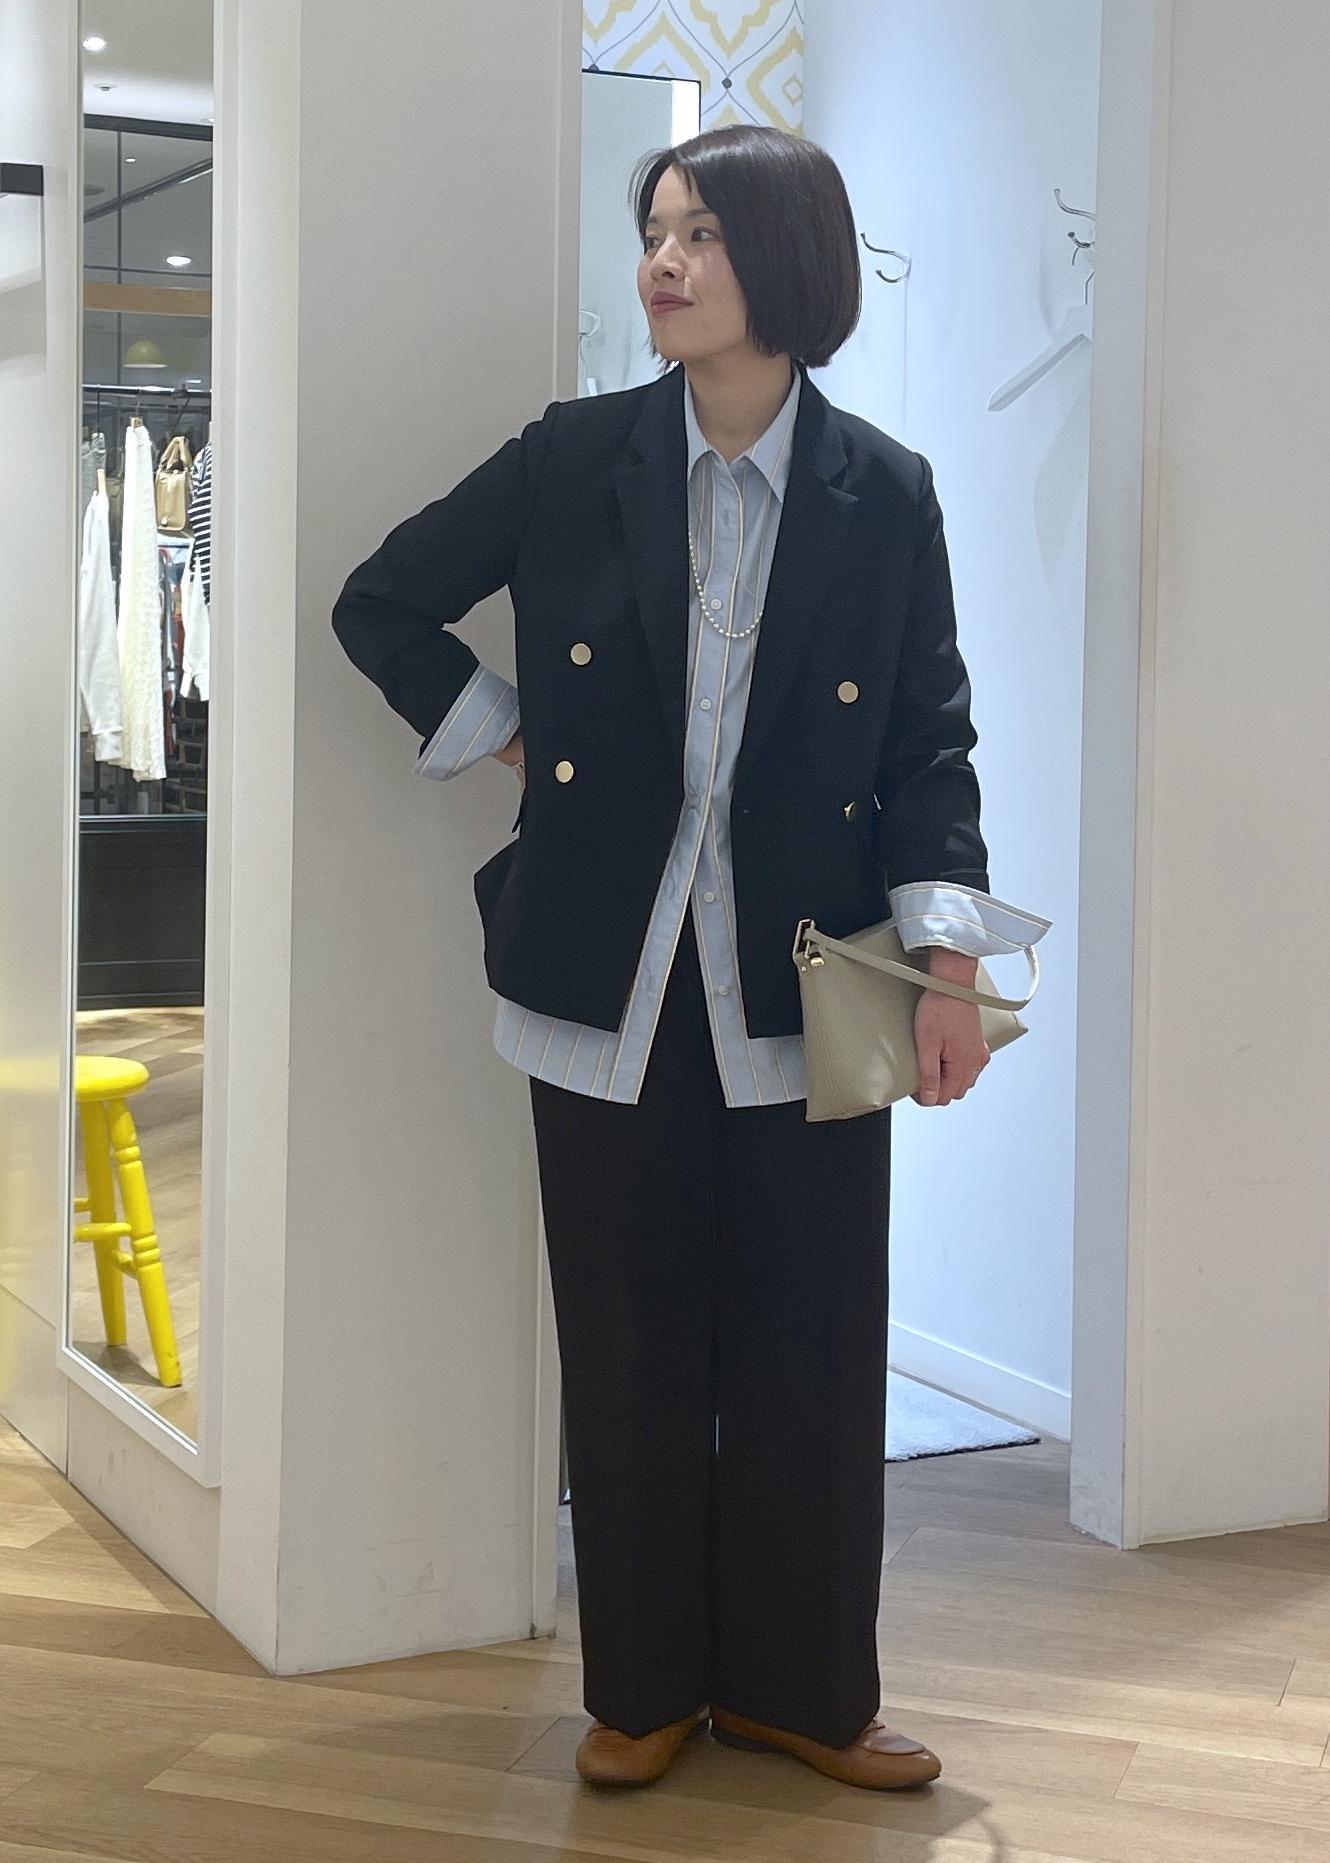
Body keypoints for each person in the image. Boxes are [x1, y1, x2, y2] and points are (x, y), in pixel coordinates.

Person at [331, 123, 1049, 1793]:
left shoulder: (884, 493)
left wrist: (947, 967)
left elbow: (929, 745)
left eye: (703, 233)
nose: (663, 261)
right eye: (655, 229)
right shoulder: (573, 457)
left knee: (813, 1347)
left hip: (810, 987)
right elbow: (380, 603)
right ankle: (642, 1690)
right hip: (607, 981)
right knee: (630, 1344)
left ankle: (806, 1694)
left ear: (786, 260)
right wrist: (511, 736)